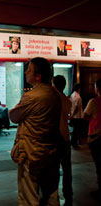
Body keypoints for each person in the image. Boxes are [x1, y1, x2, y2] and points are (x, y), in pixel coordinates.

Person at [9, 57, 62, 206]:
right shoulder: (55, 95)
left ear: (38, 76)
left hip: (31, 154)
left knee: (29, 198)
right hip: (51, 152)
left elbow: (14, 116)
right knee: (51, 196)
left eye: (29, 70)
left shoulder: (32, 96)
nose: (26, 72)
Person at [52, 75, 73, 206]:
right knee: (67, 170)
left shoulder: (52, 99)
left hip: (55, 138)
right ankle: (68, 196)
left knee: (53, 169)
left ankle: (52, 196)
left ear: (54, 85)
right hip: (65, 138)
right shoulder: (67, 100)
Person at [82, 78, 101, 199]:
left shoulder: (94, 102)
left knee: (99, 165)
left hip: (96, 138)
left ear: (97, 88)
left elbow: (85, 116)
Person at [70, 83, 83, 148]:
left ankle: (73, 142)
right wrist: (72, 114)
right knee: (76, 130)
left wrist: (71, 114)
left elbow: (71, 106)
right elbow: (76, 107)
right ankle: (74, 143)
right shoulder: (78, 97)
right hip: (77, 116)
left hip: (73, 115)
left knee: (75, 130)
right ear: (79, 89)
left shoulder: (72, 95)